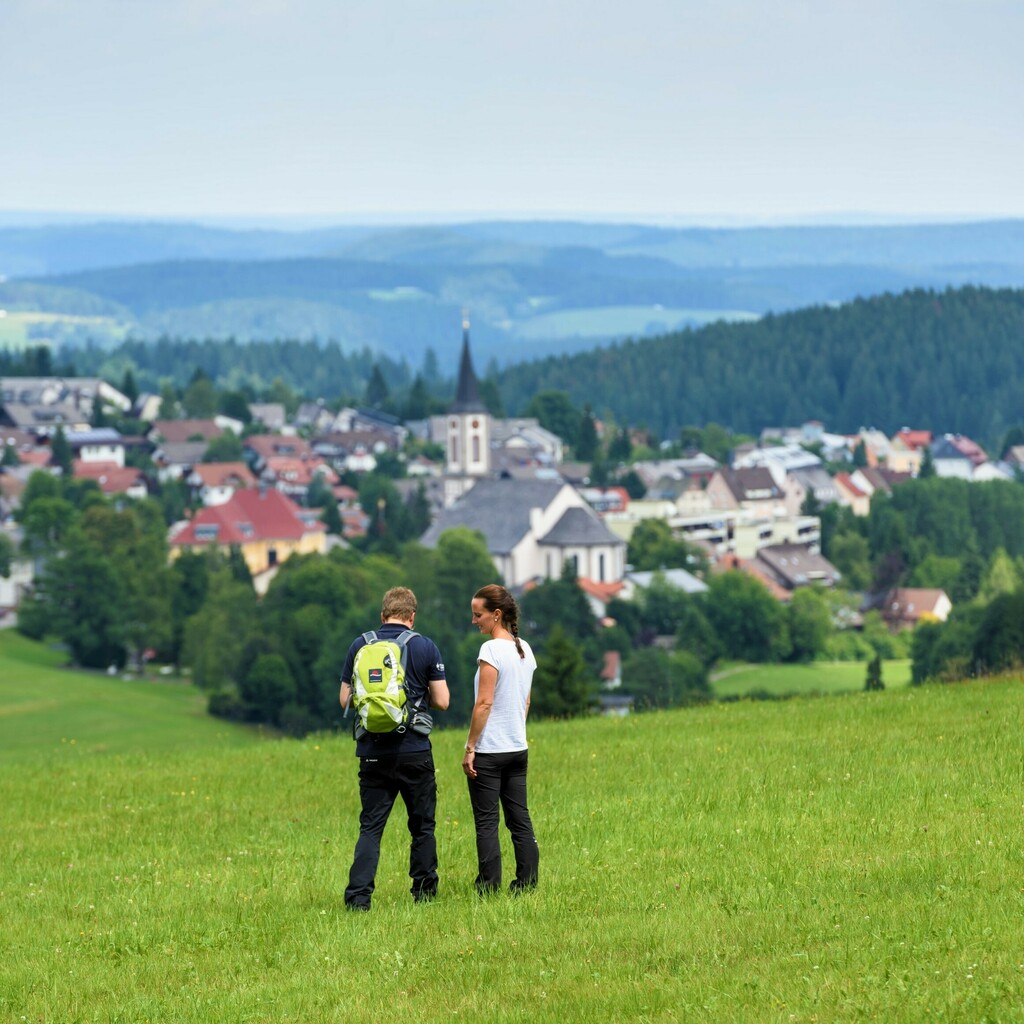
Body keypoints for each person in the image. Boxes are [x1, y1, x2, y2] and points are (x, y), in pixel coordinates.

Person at [339, 586, 449, 910]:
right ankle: (424, 895)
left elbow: (345, 699)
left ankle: (358, 899)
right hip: (414, 750)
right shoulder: (425, 646)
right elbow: (443, 700)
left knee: (371, 827)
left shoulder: (360, 645)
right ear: (412, 617)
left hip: (372, 751)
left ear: (382, 614)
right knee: (422, 826)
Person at [462, 583, 539, 894]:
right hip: (518, 748)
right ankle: (527, 883)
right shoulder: (525, 649)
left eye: (477, 615)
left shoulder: (491, 650)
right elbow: (526, 701)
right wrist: (515, 730)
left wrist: (470, 746)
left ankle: (488, 887)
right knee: (519, 818)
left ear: (496, 614)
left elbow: (484, 703)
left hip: (490, 751)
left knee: (486, 822)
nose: (473, 621)